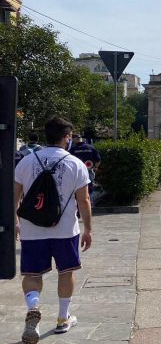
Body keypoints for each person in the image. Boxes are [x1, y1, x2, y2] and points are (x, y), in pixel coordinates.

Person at [14, 117, 92, 343]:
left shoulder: (26, 162)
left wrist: (15, 222)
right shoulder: (75, 163)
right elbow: (84, 200)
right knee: (66, 272)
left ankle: (33, 306)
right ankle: (62, 318)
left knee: (32, 274)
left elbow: (14, 196)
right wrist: (88, 228)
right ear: (67, 137)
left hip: (31, 228)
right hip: (65, 229)